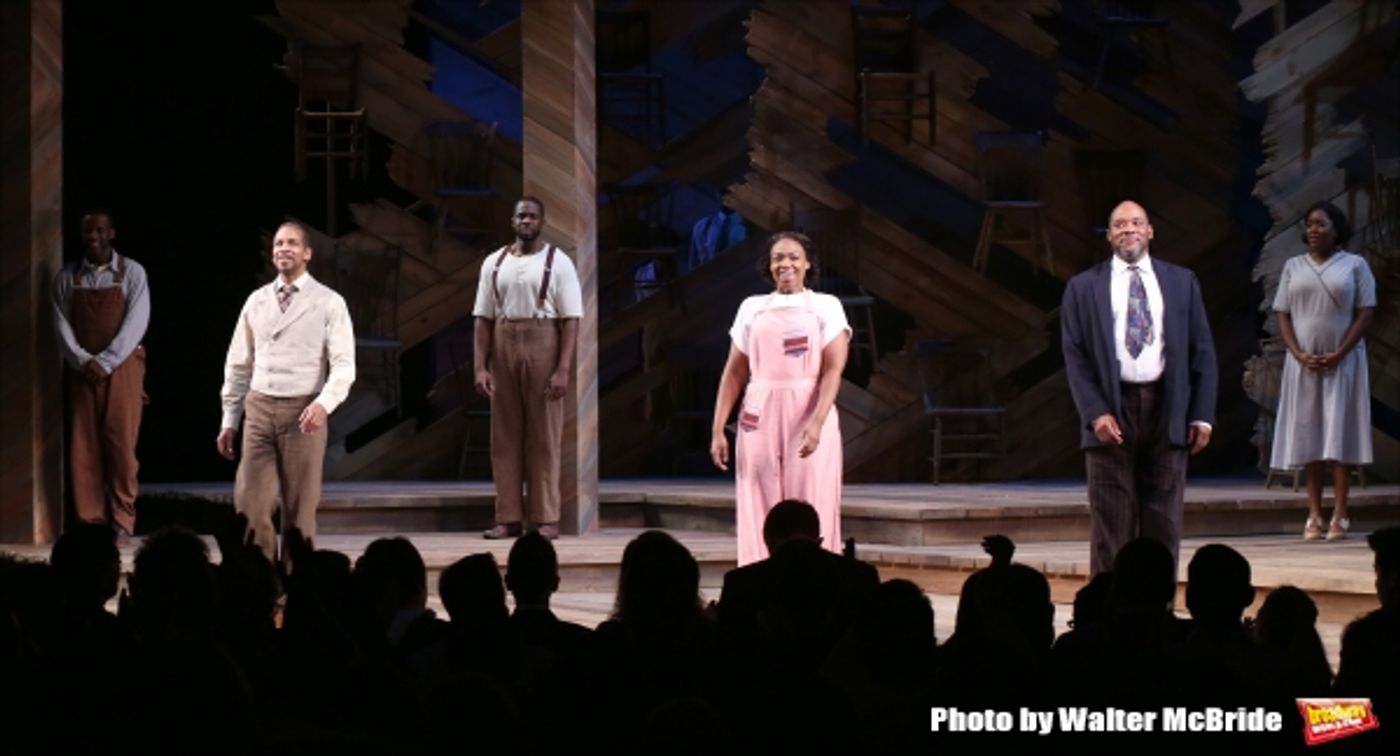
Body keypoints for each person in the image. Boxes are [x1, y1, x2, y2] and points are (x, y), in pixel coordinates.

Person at [1061, 200, 1218, 575]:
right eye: (1119, 224)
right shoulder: (1083, 288)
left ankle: (1158, 615)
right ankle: (1106, 615)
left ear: (1150, 231)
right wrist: (1095, 412)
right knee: (1111, 525)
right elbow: (1075, 355)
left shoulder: (1181, 281)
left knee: (1162, 525)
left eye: (1136, 223)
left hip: (1167, 408)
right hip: (1112, 410)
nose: (1128, 229)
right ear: (1109, 236)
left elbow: (1203, 350)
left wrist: (1202, 415)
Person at [216, 220, 355, 563]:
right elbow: (238, 364)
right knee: (250, 504)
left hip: (303, 411)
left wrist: (324, 404)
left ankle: (298, 591)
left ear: (307, 253)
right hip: (260, 408)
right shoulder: (257, 300)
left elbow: (344, 366)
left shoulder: (328, 302)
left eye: (292, 243)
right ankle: (258, 586)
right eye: (279, 243)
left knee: (299, 511)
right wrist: (230, 418)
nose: (283, 249)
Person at [711, 231, 850, 566]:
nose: (785, 264)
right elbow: (733, 373)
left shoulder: (825, 306)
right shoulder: (751, 308)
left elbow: (833, 370)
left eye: (793, 257)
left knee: (810, 498)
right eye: (778, 258)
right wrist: (717, 429)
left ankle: (818, 575)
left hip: (807, 407)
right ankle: (758, 575)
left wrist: (816, 422)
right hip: (759, 411)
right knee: (759, 497)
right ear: (769, 266)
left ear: (807, 263)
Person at [473, 196, 583, 541]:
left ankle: (546, 517)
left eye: (532, 216)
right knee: (504, 436)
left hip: (543, 338)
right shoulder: (494, 262)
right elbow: (482, 318)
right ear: (512, 220)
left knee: (544, 435)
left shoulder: (559, 262)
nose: (526, 221)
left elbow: (571, 320)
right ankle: (507, 516)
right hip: (504, 339)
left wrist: (563, 368)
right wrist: (480, 366)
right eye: (521, 215)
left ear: (542, 222)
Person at [1269, 201, 1375, 541]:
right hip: (1304, 362)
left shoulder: (1355, 265)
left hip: (1343, 361)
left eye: (1321, 224)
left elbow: (1365, 312)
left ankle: (1341, 514)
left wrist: (1340, 352)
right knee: (1310, 434)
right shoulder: (1293, 266)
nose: (1314, 229)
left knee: (1339, 434)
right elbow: (1283, 313)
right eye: (1309, 224)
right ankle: (1314, 514)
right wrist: (1298, 352)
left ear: (1336, 229)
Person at [53, 208, 150, 537]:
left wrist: (106, 361)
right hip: (82, 372)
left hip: (121, 369)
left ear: (111, 233)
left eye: (99, 231)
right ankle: (90, 524)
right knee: (84, 450)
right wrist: (82, 361)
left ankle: (122, 522)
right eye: (87, 232)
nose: (93, 237)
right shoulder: (68, 277)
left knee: (121, 446)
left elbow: (137, 322)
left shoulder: (132, 273)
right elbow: (61, 326)